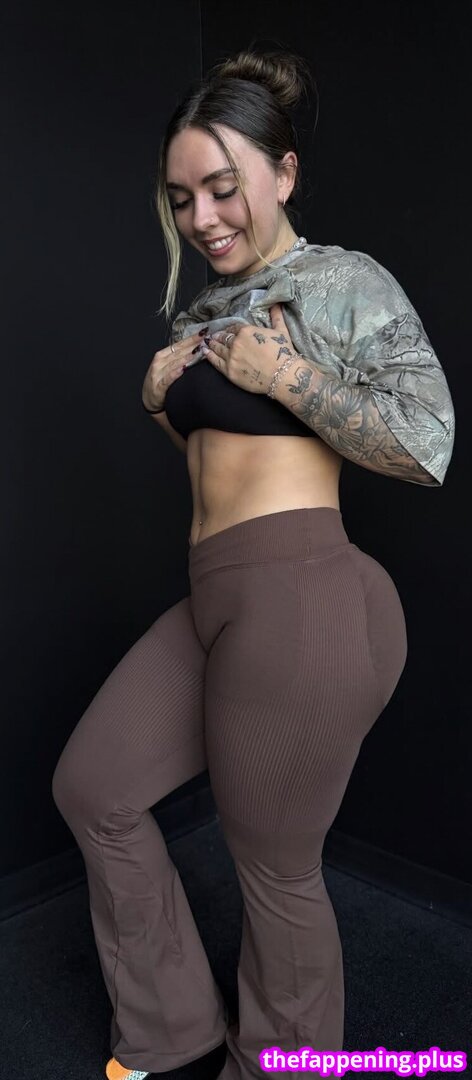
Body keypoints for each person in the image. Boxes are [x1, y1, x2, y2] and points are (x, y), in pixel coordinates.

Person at [52, 45, 455, 1080]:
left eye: (223, 188)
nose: (202, 217)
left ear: (283, 173)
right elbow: (225, 462)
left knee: (273, 869)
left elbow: (426, 445)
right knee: (94, 787)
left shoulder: (341, 283)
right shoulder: (204, 309)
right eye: (182, 197)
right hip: (214, 596)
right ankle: (170, 1026)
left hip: (306, 597)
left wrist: (287, 374)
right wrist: (158, 403)